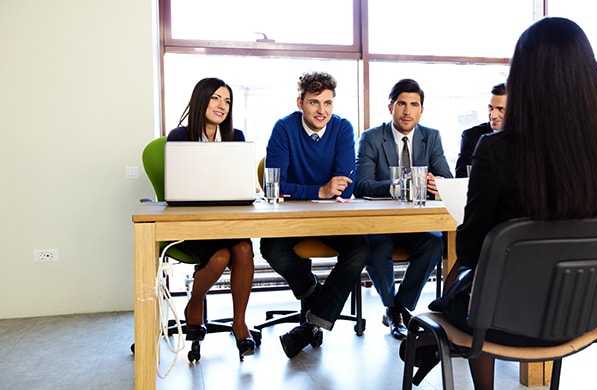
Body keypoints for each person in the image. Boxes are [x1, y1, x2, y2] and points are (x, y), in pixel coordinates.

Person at [407, 17, 597, 390]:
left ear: (524, 82)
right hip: (587, 316)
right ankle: (427, 341)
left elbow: (469, 250)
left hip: (501, 321)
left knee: (465, 293)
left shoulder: (498, 151)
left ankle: (426, 342)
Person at [259, 71, 369, 358]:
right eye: (314, 103)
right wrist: (319, 190)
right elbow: (275, 186)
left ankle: (310, 324)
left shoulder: (342, 128)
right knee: (270, 247)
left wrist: (322, 190)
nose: (322, 111)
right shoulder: (283, 129)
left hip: (331, 218)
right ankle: (314, 294)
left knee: (359, 249)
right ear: (300, 103)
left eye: (328, 103)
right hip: (293, 218)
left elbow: (345, 186)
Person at [166, 77, 257, 360]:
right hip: (192, 226)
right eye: (216, 98)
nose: (222, 105)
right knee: (219, 258)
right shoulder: (179, 138)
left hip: (228, 223)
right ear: (201, 99)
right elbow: (174, 191)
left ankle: (239, 323)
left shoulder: (236, 138)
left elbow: (240, 186)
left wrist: (247, 187)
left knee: (243, 249)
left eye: (227, 101)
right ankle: (195, 303)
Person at [355, 78, 452, 340]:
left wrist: (437, 183)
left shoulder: (431, 137)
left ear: (421, 110)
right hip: (381, 224)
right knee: (375, 248)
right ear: (390, 107)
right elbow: (361, 185)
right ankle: (391, 306)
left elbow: (447, 179)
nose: (407, 111)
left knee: (434, 244)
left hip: (416, 223)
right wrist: (395, 186)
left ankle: (399, 308)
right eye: (401, 104)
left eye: (414, 105)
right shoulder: (372, 138)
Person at [454, 83, 506, 178]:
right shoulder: (471, 136)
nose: (493, 115)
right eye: (491, 108)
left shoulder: (530, 138)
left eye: (501, 109)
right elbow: (462, 176)